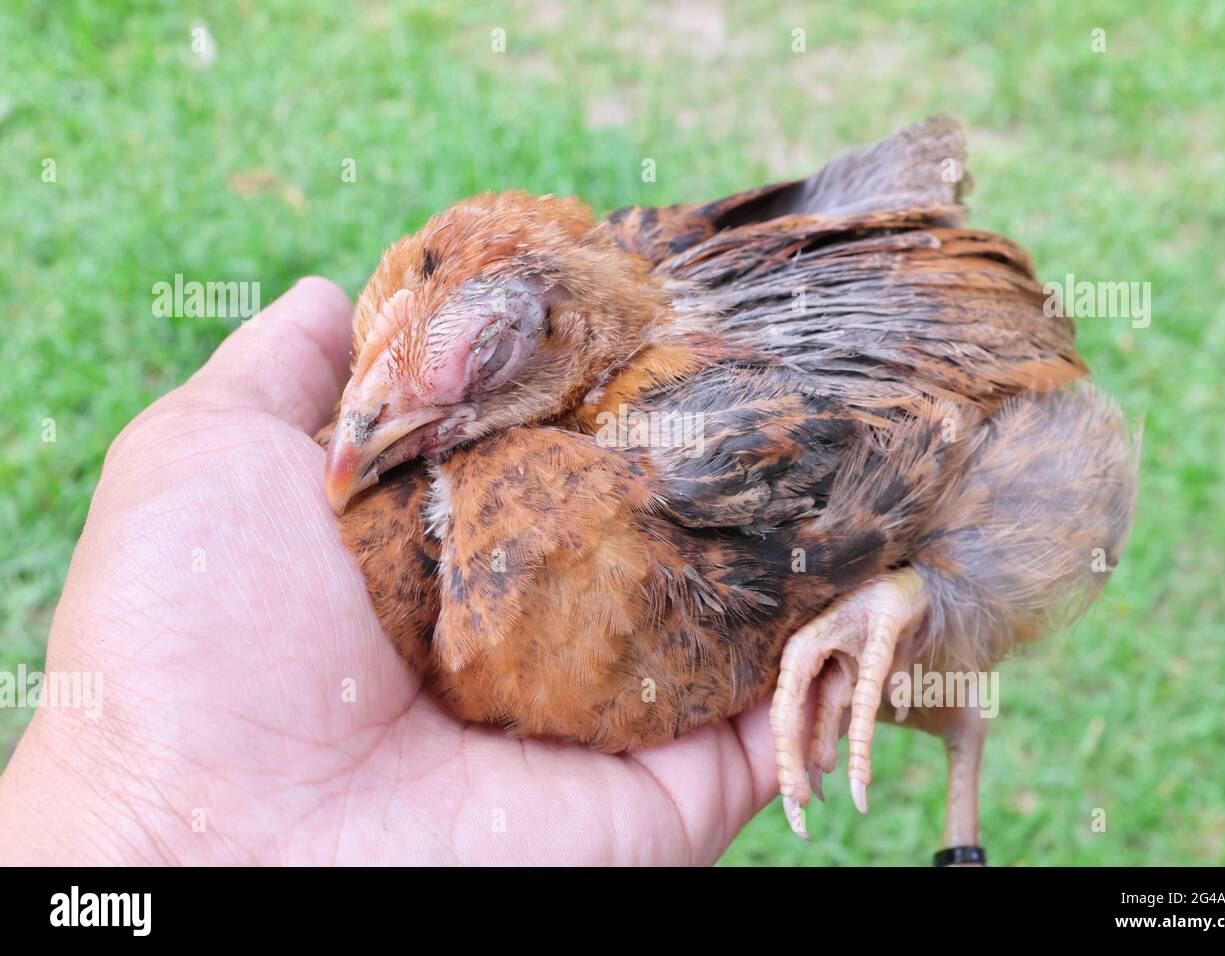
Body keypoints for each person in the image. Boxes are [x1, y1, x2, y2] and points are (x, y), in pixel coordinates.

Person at [0, 278, 783, 865]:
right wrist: (138, 814)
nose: (356, 433)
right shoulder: (385, 509)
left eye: (486, 361)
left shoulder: (722, 440)